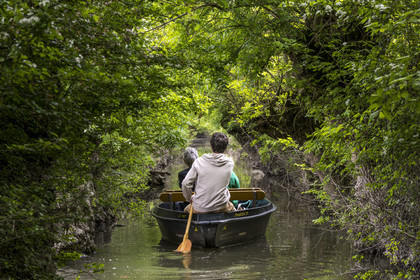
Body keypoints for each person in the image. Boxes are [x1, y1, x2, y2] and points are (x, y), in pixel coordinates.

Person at [182, 132, 236, 213]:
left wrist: (189, 198)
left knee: (186, 211)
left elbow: (185, 184)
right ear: (225, 148)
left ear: (211, 146)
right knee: (232, 208)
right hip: (221, 207)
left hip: (200, 208)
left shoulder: (198, 162)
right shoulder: (230, 163)